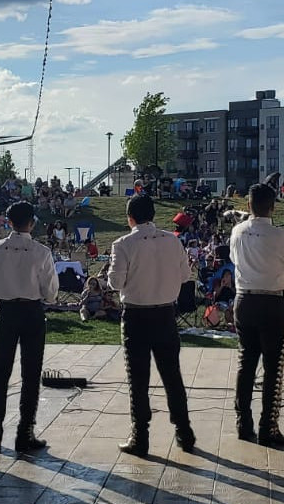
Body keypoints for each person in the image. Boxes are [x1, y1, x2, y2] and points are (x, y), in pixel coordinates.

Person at [107, 195, 195, 457]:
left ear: (129, 218)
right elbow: (184, 276)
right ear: (154, 215)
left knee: (138, 379)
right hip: (165, 314)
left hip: (136, 316)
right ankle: (184, 431)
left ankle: (140, 436)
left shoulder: (123, 244)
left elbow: (115, 283)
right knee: (172, 377)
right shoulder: (172, 240)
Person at [230, 184, 284, 447]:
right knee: (273, 367)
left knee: (246, 364)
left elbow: (235, 260)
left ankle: (243, 424)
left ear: (248, 205)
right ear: (273, 207)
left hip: (244, 299)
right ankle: (268, 426)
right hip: (271, 302)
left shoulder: (237, 231)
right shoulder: (280, 236)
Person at [0, 201, 56, 453]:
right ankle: (25, 432)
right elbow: (51, 293)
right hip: (32, 311)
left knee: (0, 373)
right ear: (31, 223)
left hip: (7, 311)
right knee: (31, 374)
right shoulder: (41, 251)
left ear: (8, 223)